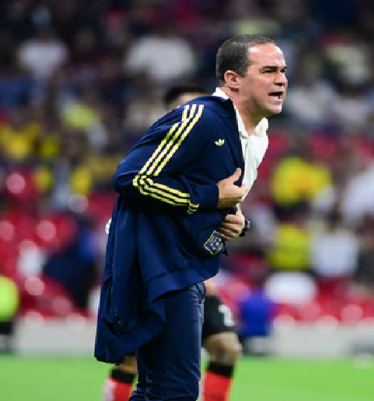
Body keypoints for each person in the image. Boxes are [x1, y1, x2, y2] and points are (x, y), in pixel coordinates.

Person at [94, 34, 287, 401]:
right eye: (268, 71)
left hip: (186, 265)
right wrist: (211, 197)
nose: (281, 79)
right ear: (233, 79)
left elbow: (215, 196)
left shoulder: (255, 134)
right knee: (173, 390)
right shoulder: (201, 116)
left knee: (161, 390)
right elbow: (131, 178)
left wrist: (235, 219)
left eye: (282, 71)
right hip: (158, 265)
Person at [103, 84, 246, 401]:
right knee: (134, 363)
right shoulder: (152, 158)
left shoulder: (213, 161)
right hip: (153, 277)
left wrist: (239, 223)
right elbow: (127, 201)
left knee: (226, 349)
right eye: (187, 110)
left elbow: (223, 215)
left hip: (193, 279)